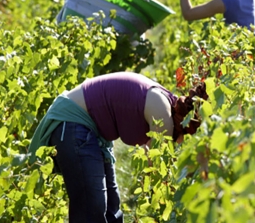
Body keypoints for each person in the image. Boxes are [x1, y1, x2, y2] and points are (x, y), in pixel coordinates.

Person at [28, 72, 207, 223]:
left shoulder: (166, 104)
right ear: (184, 125)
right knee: (92, 208)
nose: (180, 143)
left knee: (111, 208)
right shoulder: (164, 118)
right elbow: (155, 173)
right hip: (73, 122)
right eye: (186, 136)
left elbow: (148, 155)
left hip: (93, 130)